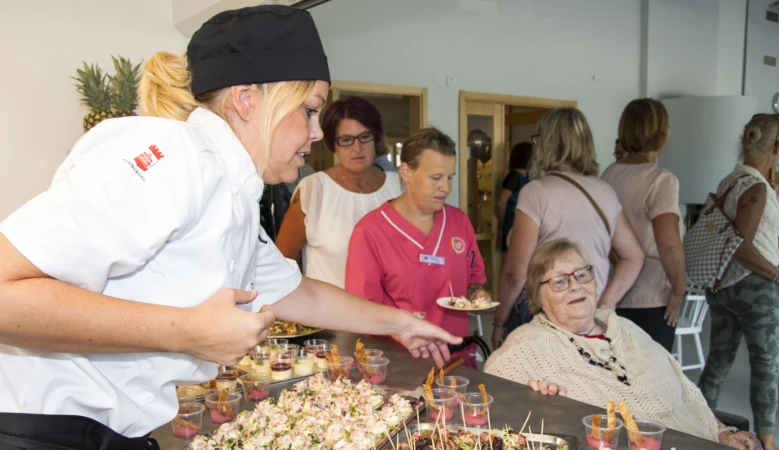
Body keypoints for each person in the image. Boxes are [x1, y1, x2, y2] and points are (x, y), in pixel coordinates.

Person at [0, 7, 459, 449]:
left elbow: (297, 294)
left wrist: (401, 322)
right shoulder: (175, 156)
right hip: (41, 429)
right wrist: (188, 332)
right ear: (246, 99)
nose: (318, 133)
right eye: (309, 111)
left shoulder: (233, 191)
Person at [484, 239, 760, 450]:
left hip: (698, 439)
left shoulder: (623, 328)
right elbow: (496, 384)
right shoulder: (527, 346)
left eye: (582, 274)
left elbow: (684, 388)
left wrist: (721, 432)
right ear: (537, 296)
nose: (575, 286)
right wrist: (537, 397)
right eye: (559, 281)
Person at [491, 107, 644, 349]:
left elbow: (515, 274)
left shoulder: (536, 192)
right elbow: (633, 256)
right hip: (588, 313)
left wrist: (499, 322)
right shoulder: (604, 191)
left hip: (543, 314)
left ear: (547, 143)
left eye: (537, 139)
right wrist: (605, 304)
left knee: (535, 385)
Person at [345, 127, 491, 368]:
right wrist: (401, 330)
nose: (445, 187)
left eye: (450, 177)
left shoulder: (458, 222)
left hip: (455, 358)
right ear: (406, 172)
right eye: (436, 178)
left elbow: (474, 280)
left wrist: (479, 295)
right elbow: (361, 307)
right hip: (397, 360)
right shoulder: (371, 231)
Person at [698, 114, 779, 450]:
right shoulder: (757, 187)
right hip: (755, 287)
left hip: (723, 286)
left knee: (718, 359)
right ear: (777, 147)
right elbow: (742, 246)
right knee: (765, 363)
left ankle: (702, 423)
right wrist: (775, 273)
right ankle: (767, 439)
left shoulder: (730, 182)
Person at [276, 96, 402, 288]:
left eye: (364, 136)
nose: (357, 148)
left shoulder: (399, 187)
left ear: (376, 138)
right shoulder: (313, 190)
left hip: (388, 313)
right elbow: (281, 263)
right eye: (346, 140)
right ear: (333, 144)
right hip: (325, 314)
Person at [601, 98, 686, 350]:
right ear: (661, 133)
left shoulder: (608, 174)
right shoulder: (661, 180)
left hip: (613, 292)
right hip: (651, 296)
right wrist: (679, 289)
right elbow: (668, 242)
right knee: (652, 379)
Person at [495, 142, 533, 252]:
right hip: (512, 222)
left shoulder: (526, 176)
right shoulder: (514, 176)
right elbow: (502, 201)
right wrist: (503, 222)